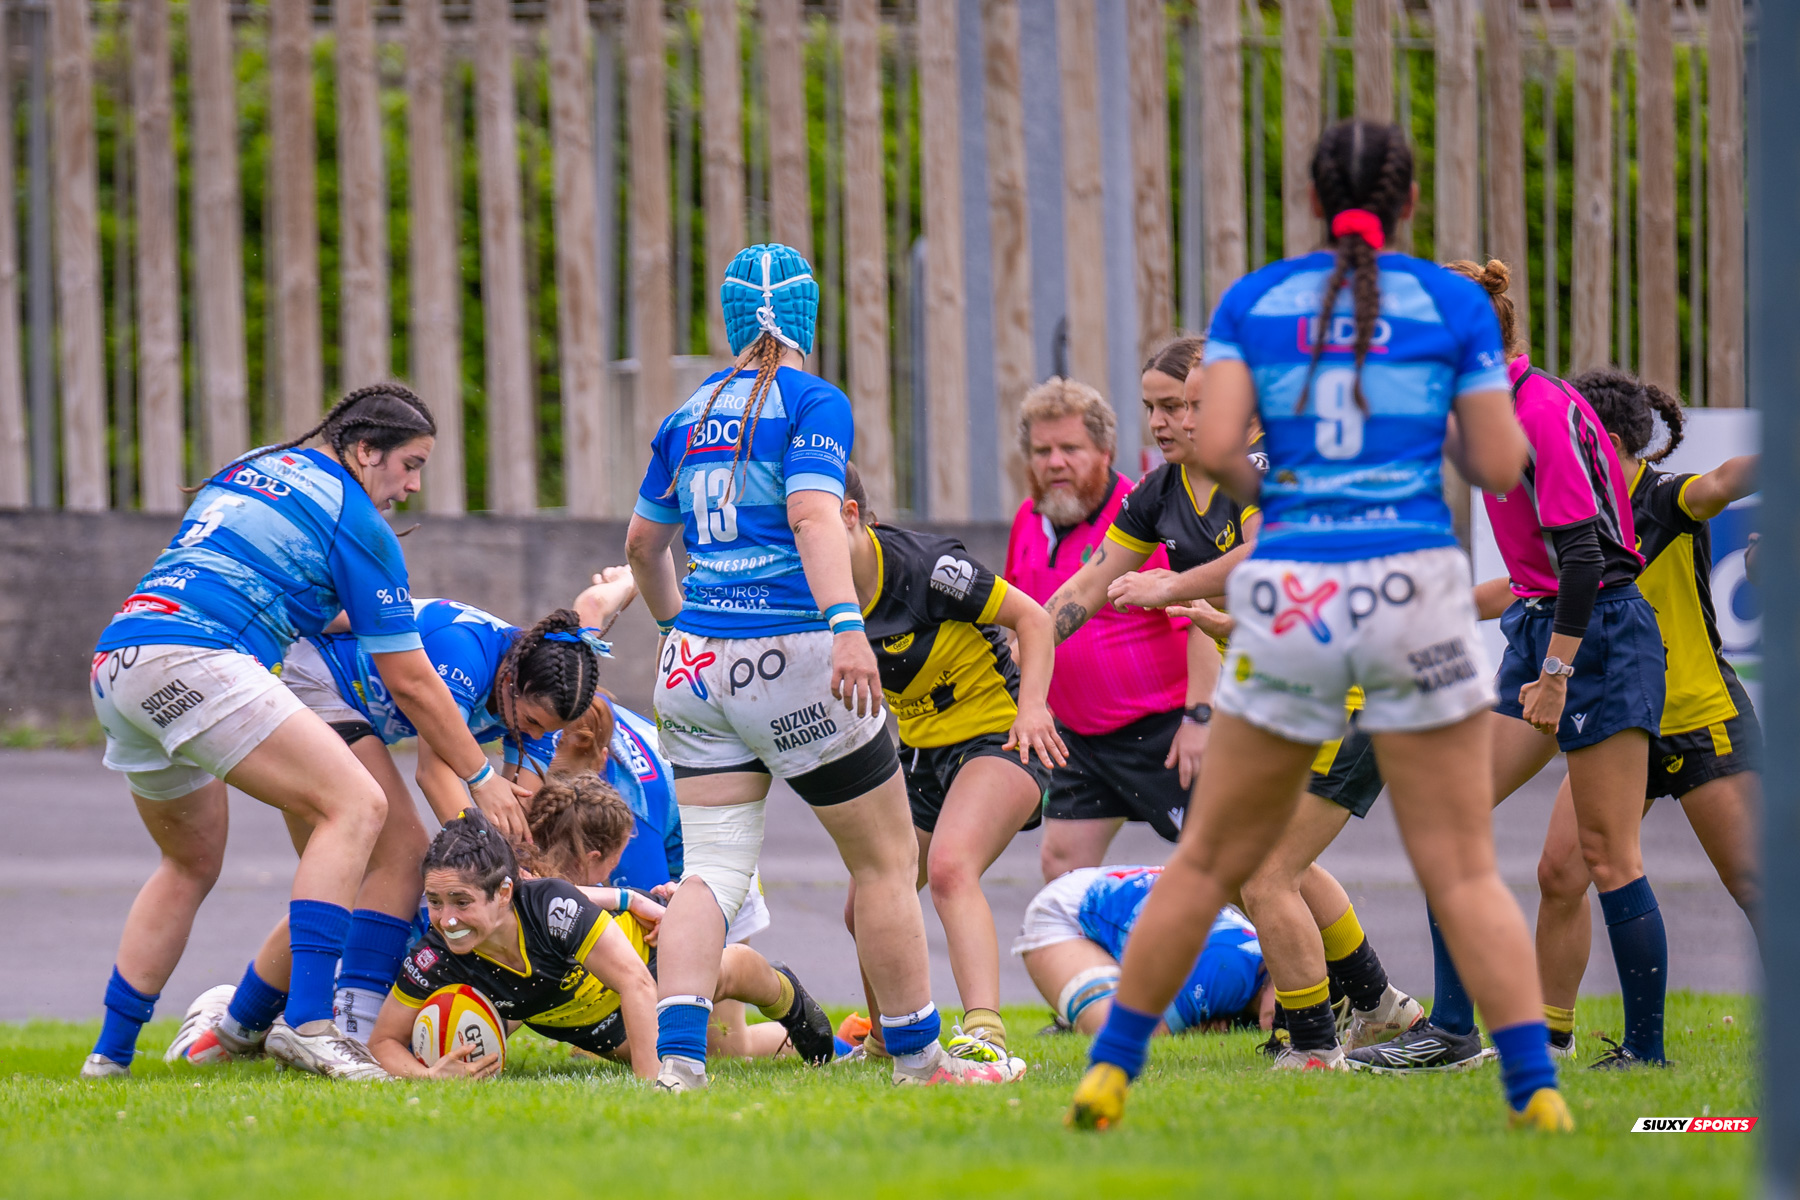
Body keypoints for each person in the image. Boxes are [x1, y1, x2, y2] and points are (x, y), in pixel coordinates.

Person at [1067, 120, 1570, 1132]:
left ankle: (1110, 1074)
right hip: (1413, 589)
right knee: (1463, 863)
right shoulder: (1455, 304)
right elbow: (1503, 465)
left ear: (1308, 198)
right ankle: (1536, 1092)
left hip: (1296, 589)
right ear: (1410, 203)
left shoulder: (1254, 302)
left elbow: (1214, 441)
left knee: (1213, 857)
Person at [625, 243, 1022, 1089]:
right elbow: (812, 512)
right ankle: (920, 1061)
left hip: (692, 665)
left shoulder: (685, 416)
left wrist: (675, 627)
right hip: (794, 654)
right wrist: (848, 626)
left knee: (711, 870)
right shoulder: (815, 401)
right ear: (808, 320)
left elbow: (642, 546)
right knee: (883, 863)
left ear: (730, 323)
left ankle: (678, 1065)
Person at [83, 384, 533, 1081]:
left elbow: (285, 594)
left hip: (120, 659)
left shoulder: (260, 465)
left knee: (189, 863)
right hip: (200, 656)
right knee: (357, 807)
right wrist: (481, 777)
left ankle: (107, 1061)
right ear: (363, 450)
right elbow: (412, 680)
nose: (413, 486)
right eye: (409, 464)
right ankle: (313, 1025)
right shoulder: (356, 520)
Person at [1048, 336, 1422, 1068]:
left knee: (1262, 871)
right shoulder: (1159, 493)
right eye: (1152, 406)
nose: (1160, 422)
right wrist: (1023, 645)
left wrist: (1169, 585)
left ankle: (1313, 1044)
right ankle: (1376, 1006)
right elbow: (1088, 587)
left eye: (1178, 406)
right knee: (1260, 868)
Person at [1353, 262, 1671, 1074]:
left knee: (1607, 855)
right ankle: (1453, 1033)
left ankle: (1645, 1053)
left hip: (1596, 634)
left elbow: (1583, 555)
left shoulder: (1539, 409)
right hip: (1542, 628)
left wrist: (1557, 671)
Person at [162, 599, 618, 1065]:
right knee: (400, 862)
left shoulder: (537, 695)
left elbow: (517, 819)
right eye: (533, 721)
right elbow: (434, 771)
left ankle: (230, 1034)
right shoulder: (466, 655)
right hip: (315, 685)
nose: (531, 732)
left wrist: (517, 872)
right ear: (510, 681)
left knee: (353, 890)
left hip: (350, 709)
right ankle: (352, 1030)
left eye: (548, 729)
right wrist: (490, 867)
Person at [1516, 367, 1759, 1059]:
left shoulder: (1662, 494)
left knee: (1755, 885)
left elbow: (1721, 482)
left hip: (1698, 713)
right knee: (1559, 872)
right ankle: (1552, 1041)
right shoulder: (1572, 509)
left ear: (1608, 439)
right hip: (1623, 715)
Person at [835, 463, 1065, 1064]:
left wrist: (1034, 708)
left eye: (809, 528)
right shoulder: (811, 594)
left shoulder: (925, 567)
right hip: (920, 755)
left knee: (950, 867)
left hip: (1001, 736)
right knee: (866, 902)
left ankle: (986, 1032)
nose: (801, 547)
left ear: (851, 516)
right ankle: (886, 1041)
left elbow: (1034, 619)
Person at [1002, 377, 1196, 879]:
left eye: (1071, 448)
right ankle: (1094, 962)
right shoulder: (1028, 520)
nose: (1055, 462)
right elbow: (1019, 623)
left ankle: (1306, 957)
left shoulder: (1146, 517)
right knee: (1060, 864)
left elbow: (1205, 619)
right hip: (1077, 739)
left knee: (1235, 873)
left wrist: (1204, 718)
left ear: (1106, 451)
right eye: (1043, 451)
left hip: (1165, 731)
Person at [522, 773, 834, 1063]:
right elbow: (541, 898)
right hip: (594, 1004)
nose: (612, 874)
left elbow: (652, 910)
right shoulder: (516, 886)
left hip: (716, 882)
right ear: (592, 859)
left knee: (719, 1025)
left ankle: (785, 996)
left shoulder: (629, 850)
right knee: (678, 1048)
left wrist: (670, 904)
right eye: (613, 863)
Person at [545, 695, 786, 1057]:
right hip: (692, 860)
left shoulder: (633, 817)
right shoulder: (582, 714)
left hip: (715, 879)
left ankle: (841, 1040)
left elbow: (655, 936)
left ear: (602, 761)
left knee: (724, 1045)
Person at [1015, 865, 1272, 1036]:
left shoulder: (1257, 964)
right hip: (1067, 914)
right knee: (1117, 1030)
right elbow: (1149, 1033)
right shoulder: (1230, 971)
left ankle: (1092, 999)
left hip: (1113, 896)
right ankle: (1082, 1012)